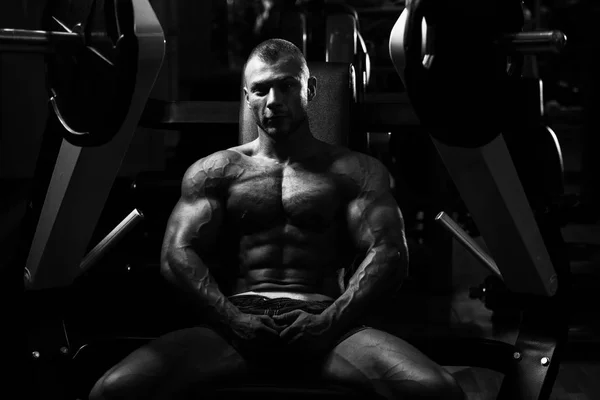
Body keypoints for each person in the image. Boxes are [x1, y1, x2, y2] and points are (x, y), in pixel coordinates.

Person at [89, 38, 465, 400]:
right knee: (114, 389)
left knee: (436, 390)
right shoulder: (216, 170)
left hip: (327, 320)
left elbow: (390, 254)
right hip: (236, 319)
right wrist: (234, 323)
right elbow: (176, 255)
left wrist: (329, 323)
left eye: (287, 86)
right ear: (247, 97)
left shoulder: (356, 171)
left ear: (310, 90)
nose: (274, 101)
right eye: (261, 89)